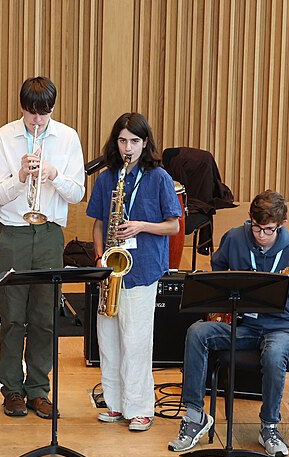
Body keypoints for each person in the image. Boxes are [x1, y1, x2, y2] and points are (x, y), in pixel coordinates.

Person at [168, 190, 289, 457]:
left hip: (282, 327)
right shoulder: (234, 238)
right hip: (244, 325)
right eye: (257, 227)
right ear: (250, 219)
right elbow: (218, 272)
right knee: (198, 332)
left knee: (275, 353)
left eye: (269, 230)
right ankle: (195, 416)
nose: (261, 235)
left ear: (282, 225)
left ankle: (269, 425)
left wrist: (273, 305)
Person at [0, 77, 86, 419]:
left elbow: (77, 194)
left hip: (48, 233)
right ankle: (12, 389)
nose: (36, 121)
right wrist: (19, 177)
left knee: (45, 317)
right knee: (13, 317)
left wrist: (53, 174)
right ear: (22, 108)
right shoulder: (5, 136)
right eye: (31, 114)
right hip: (14, 232)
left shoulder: (67, 137)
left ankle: (38, 389)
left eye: (43, 115)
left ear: (52, 110)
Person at [85, 112, 182, 432]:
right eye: (123, 140)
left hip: (142, 269)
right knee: (108, 340)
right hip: (110, 270)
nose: (128, 147)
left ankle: (140, 407)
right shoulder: (107, 177)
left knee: (136, 341)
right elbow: (99, 223)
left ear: (145, 143)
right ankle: (114, 404)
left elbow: (173, 225)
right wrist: (100, 257)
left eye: (135, 141)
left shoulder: (159, 178)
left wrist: (141, 226)